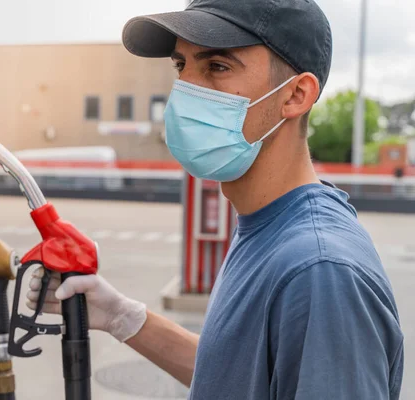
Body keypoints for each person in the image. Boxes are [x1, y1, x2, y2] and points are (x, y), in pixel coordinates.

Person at [26, 0, 405, 398]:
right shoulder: (269, 225)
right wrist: (121, 316)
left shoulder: (320, 272)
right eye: (180, 66)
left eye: (217, 67)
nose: (186, 88)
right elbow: (242, 377)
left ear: (295, 95)